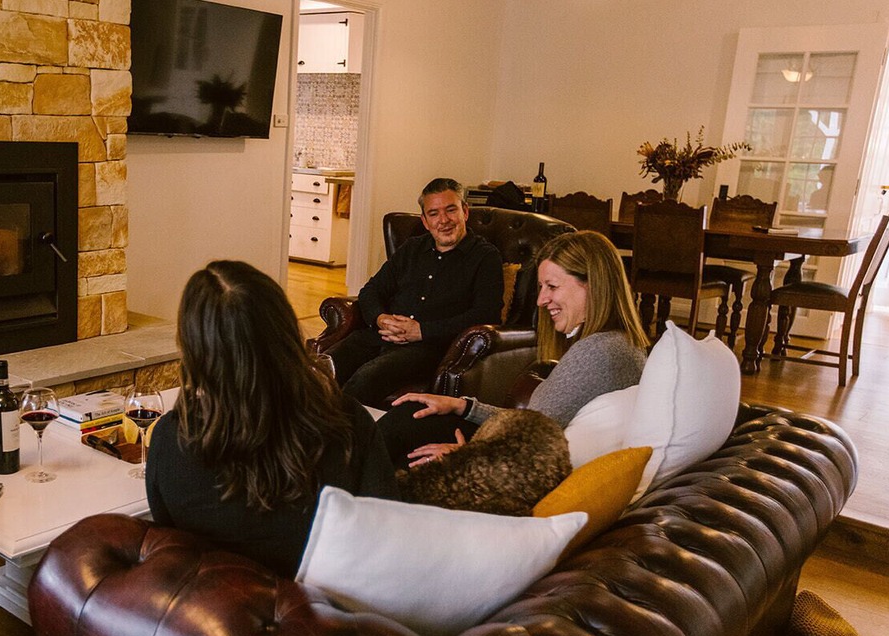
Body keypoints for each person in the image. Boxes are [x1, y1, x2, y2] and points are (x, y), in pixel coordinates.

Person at [145, 260, 399, 577]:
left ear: (195, 347)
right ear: (285, 328)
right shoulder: (347, 420)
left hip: (211, 618)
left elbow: (170, 550)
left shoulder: (170, 439)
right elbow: (385, 535)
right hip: (323, 615)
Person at [378, 230, 649, 468]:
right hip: (517, 449)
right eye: (541, 287)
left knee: (404, 431)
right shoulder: (621, 344)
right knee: (411, 418)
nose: (541, 300)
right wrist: (463, 406)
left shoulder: (597, 353)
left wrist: (468, 455)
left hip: (514, 464)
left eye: (552, 286)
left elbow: (530, 437)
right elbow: (534, 421)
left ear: (594, 285)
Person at [327, 177, 504, 407]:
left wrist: (422, 331)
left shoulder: (485, 257)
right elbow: (371, 290)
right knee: (321, 369)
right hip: (380, 335)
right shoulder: (412, 248)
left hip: (428, 348)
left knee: (364, 380)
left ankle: (340, 439)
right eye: (434, 213)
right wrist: (381, 319)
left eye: (451, 210)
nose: (444, 220)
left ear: (465, 212)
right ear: (425, 220)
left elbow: (486, 315)